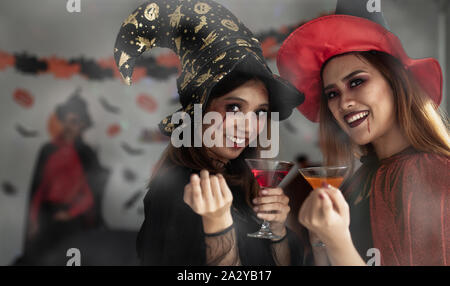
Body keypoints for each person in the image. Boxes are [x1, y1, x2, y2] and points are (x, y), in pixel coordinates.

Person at [113, 0, 304, 266]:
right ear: (198, 112)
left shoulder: (240, 178)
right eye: (234, 107)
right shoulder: (177, 191)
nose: (249, 126)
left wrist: (278, 230)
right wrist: (219, 227)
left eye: (260, 112)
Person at [277, 0, 449, 266]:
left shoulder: (436, 173)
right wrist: (320, 243)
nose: (343, 103)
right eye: (332, 94)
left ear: (396, 83)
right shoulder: (359, 179)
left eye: (357, 82)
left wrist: (337, 241)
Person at [19, 91, 110, 265]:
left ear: (83, 125)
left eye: (74, 122)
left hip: (74, 221)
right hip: (47, 216)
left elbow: (91, 195)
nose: (69, 127)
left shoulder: (87, 154)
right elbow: (39, 188)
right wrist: (33, 219)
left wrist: (69, 213)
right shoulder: (48, 149)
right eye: (66, 121)